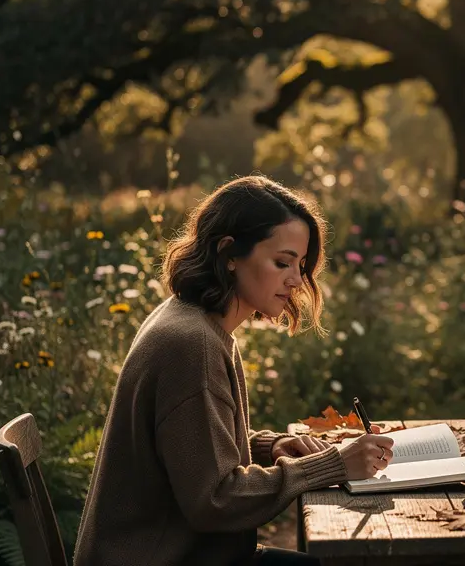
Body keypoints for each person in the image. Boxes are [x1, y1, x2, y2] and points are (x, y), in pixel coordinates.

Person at [74, 176, 395, 566]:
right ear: (229, 253)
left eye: (301, 264)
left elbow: (191, 446)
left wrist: (267, 447)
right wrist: (334, 465)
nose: (296, 280)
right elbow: (215, 499)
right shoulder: (192, 345)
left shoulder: (193, 322)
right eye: (282, 262)